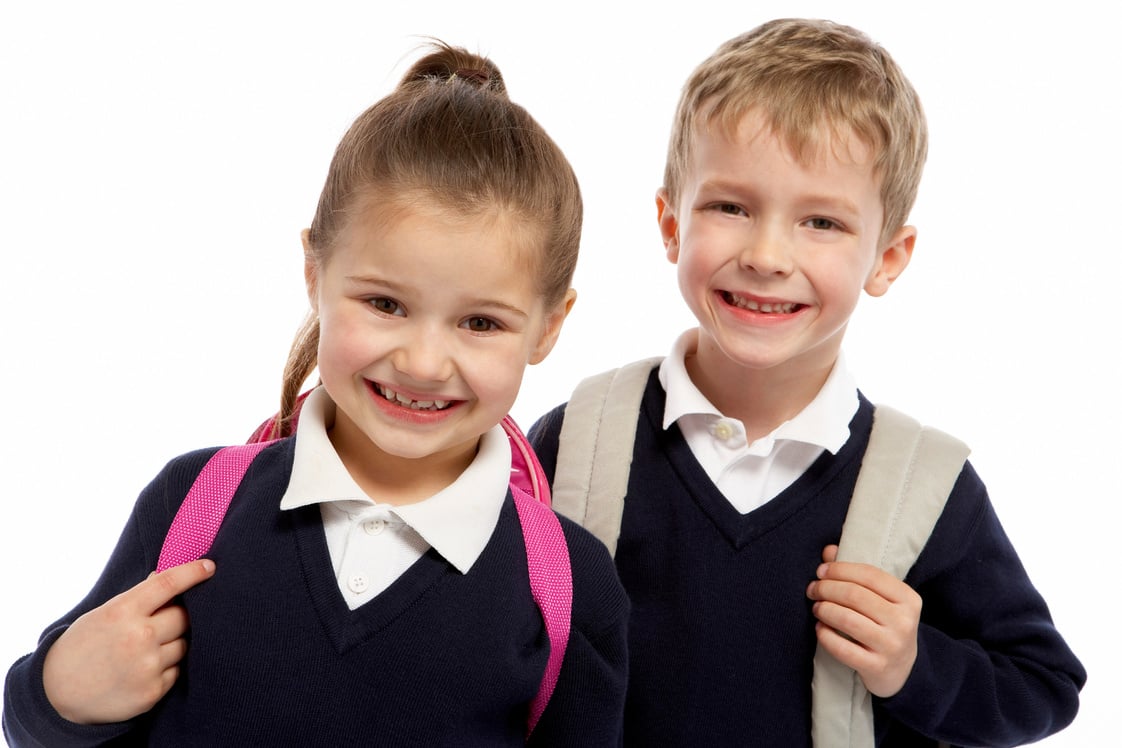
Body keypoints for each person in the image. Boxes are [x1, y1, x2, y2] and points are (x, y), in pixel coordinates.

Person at [3, 42, 628, 746]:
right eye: (385, 304)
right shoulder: (194, 505)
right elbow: (42, 723)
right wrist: (57, 694)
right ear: (314, 272)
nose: (422, 362)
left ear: (549, 327)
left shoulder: (569, 587)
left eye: (480, 322)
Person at [529, 18, 1085, 747]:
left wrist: (915, 665)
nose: (766, 255)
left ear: (888, 257)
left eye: (821, 221)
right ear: (670, 222)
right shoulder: (579, 440)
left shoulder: (924, 485)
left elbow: (1044, 686)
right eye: (730, 207)